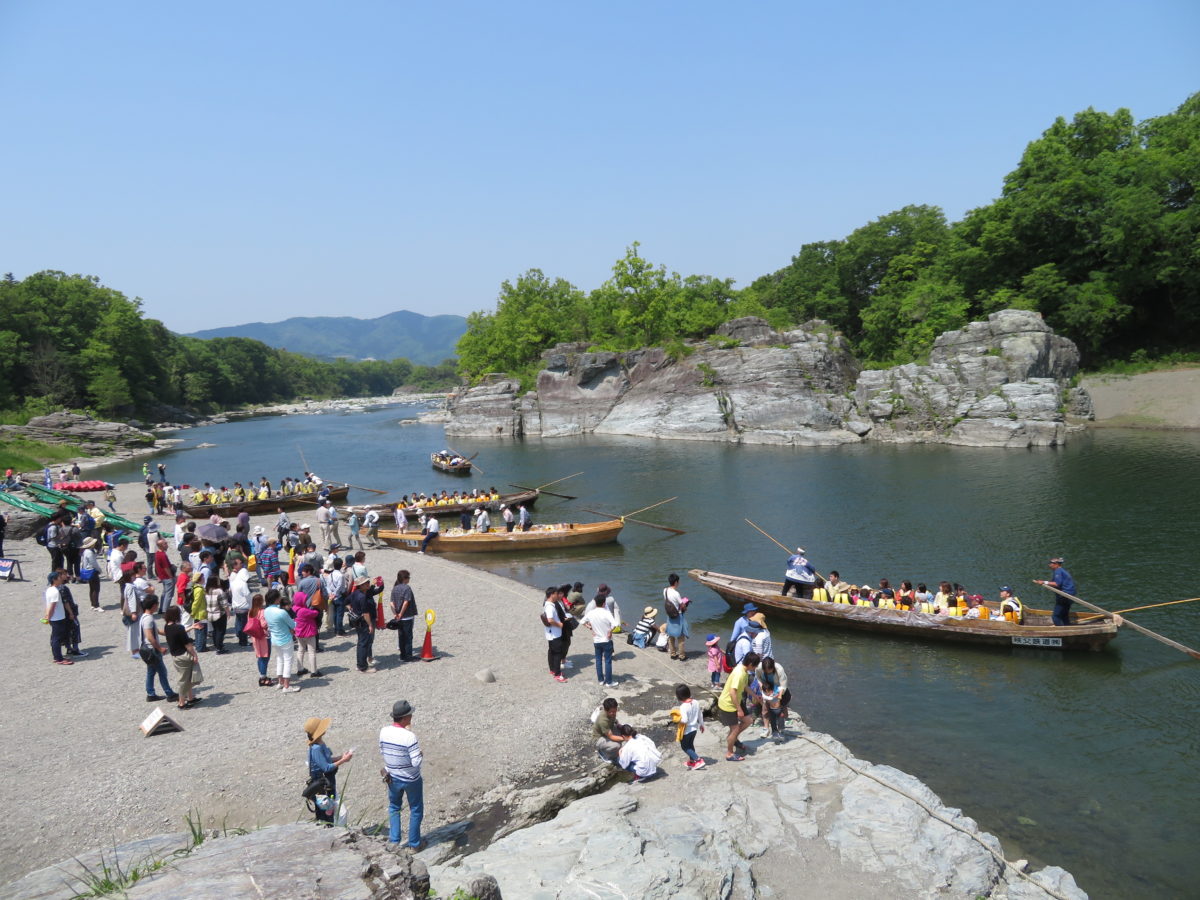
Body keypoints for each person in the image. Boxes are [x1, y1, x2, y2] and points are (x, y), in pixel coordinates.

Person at [380, 700, 424, 849]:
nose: (412, 716)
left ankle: (394, 841)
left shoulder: (384, 731)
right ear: (405, 718)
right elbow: (416, 762)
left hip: (392, 776)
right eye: (410, 714)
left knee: (394, 807)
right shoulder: (409, 737)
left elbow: (382, 751)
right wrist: (420, 754)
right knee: (416, 809)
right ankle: (414, 844)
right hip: (411, 779)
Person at [305, 717, 352, 825]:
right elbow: (326, 767)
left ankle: (336, 829)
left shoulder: (318, 744)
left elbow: (326, 760)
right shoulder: (316, 748)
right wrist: (343, 760)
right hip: (324, 787)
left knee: (334, 813)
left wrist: (341, 757)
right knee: (341, 813)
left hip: (328, 784)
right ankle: (339, 832)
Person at [718, 650, 759, 761]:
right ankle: (729, 753)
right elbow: (732, 692)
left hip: (736, 701)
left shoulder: (743, 670)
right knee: (734, 729)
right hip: (728, 704)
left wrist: (755, 696)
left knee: (748, 720)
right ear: (751, 664)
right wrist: (739, 709)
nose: (755, 668)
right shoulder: (739, 673)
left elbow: (745, 686)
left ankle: (733, 739)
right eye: (755, 666)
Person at [139, 596, 178, 702]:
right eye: (157, 604)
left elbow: (156, 631)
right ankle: (169, 693)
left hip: (147, 650)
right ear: (153, 605)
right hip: (152, 650)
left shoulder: (144, 617)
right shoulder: (148, 619)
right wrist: (160, 648)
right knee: (162, 672)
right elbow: (149, 636)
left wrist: (171, 632)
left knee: (151, 672)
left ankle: (150, 693)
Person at [163, 605, 201, 709]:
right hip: (183, 656)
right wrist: (195, 655)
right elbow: (188, 645)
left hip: (176, 657)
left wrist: (192, 627)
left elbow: (180, 632)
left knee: (187, 677)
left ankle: (191, 698)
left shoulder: (167, 627)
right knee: (185, 680)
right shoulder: (179, 628)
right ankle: (181, 703)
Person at [349, 575, 382, 673]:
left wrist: (352, 611)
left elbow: (346, 602)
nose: (368, 584)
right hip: (363, 623)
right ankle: (363, 667)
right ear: (361, 585)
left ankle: (360, 664)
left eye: (368, 582)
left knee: (361, 644)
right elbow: (366, 613)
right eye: (366, 583)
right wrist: (370, 625)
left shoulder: (355, 593)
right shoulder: (362, 597)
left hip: (357, 622)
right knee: (363, 644)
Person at [583, 590, 617, 686]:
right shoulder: (606, 613)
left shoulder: (591, 613)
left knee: (598, 660)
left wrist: (591, 628)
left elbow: (582, 621)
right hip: (606, 640)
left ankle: (601, 680)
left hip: (596, 640)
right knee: (608, 661)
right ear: (604, 603)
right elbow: (615, 624)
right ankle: (609, 682)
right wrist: (610, 631)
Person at [756, 657, 790, 742]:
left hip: (778, 690)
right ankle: (766, 728)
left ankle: (781, 729)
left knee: (780, 711)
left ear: (773, 667)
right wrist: (761, 687)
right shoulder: (759, 668)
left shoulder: (779, 669)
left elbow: (783, 685)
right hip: (766, 689)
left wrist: (778, 696)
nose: (768, 672)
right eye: (766, 671)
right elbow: (758, 678)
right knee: (765, 710)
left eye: (770, 671)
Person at [45, 570, 75, 665]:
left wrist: (47, 616)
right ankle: (59, 658)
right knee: (57, 639)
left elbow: (48, 605)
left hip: (54, 618)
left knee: (55, 638)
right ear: (54, 580)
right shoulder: (55, 591)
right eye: (58, 577)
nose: (60, 578)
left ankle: (57, 657)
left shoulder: (49, 590)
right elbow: (52, 606)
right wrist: (48, 617)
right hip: (57, 618)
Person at [1037, 557, 1077, 626]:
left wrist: (1044, 582)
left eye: (1051, 563)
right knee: (1064, 615)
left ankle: (1061, 629)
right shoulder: (1061, 571)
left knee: (1056, 616)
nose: (1049, 565)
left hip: (1064, 596)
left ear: (1056, 564)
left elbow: (1057, 584)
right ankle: (1067, 627)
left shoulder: (1058, 571)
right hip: (1070, 595)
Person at [674, 684, 706, 769]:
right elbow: (700, 714)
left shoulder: (683, 707)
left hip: (686, 731)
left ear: (679, 696)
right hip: (694, 729)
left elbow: (684, 720)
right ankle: (692, 761)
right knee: (690, 745)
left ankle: (698, 760)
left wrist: (677, 719)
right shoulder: (696, 702)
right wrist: (702, 724)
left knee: (685, 747)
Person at [541, 586, 568, 682]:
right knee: (557, 653)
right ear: (552, 594)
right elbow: (550, 620)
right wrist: (559, 624)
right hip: (554, 634)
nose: (558, 596)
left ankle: (553, 669)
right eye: (556, 594)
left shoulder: (548, 604)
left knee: (552, 651)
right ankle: (557, 674)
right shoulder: (550, 606)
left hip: (550, 633)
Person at [390, 570, 417, 661]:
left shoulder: (395, 588)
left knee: (401, 637)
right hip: (407, 616)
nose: (409, 579)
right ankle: (408, 656)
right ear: (405, 578)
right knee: (408, 637)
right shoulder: (407, 588)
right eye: (408, 577)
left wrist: (395, 614)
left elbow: (391, 603)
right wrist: (401, 613)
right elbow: (406, 602)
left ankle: (402, 655)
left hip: (398, 617)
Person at [294, 591, 322, 679]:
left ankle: (300, 669)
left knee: (300, 650)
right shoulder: (303, 610)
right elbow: (315, 613)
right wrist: (316, 609)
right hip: (308, 633)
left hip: (298, 633)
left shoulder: (294, 609)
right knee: (311, 652)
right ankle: (314, 671)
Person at [592, 697, 627, 762]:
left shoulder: (612, 713)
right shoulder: (603, 720)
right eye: (611, 712)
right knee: (617, 745)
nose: (613, 713)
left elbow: (614, 720)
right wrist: (624, 739)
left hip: (608, 730)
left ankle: (610, 747)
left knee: (626, 731)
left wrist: (619, 725)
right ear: (606, 710)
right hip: (599, 738)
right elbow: (611, 736)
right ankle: (607, 755)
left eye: (615, 711)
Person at [663, 573, 689, 661]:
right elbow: (682, 605)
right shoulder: (676, 593)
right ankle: (682, 656)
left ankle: (673, 654)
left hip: (670, 615)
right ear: (676, 582)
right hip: (678, 616)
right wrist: (685, 606)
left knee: (671, 635)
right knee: (681, 637)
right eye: (678, 581)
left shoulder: (665, 590)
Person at [229, 557, 252, 646]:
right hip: (243, 606)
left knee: (239, 622)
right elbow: (247, 595)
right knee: (243, 624)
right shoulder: (243, 583)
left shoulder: (234, 582)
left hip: (236, 605)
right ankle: (243, 641)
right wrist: (251, 606)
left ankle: (240, 636)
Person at [79, 536, 102, 610]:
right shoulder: (89, 552)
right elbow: (93, 563)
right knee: (96, 589)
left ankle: (93, 604)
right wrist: (99, 570)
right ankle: (96, 605)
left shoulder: (85, 551)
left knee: (92, 588)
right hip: (92, 571)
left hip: (87, 570)